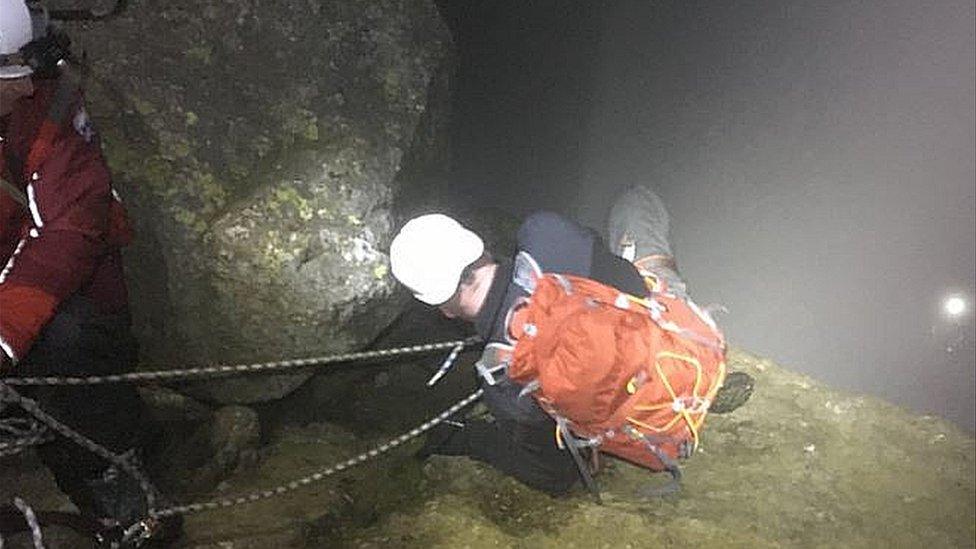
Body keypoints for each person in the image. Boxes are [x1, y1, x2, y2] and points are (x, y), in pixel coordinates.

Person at [389, 187, 753, 496]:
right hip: (689, 343)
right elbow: (630, 283)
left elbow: (555, 476)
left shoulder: (499, 373)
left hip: (657, 434)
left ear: (443, 309)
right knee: (637, 200)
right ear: (477, 243)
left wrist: (466, 438)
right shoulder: (546, 234)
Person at [0, 0, 177, 540]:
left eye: (27, 73)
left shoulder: (49, 116)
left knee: (70, 338)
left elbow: (68, 237)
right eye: (8, 76)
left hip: (64, 302)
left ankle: (116, 484)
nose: (25, 87)